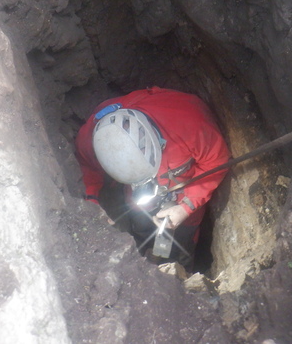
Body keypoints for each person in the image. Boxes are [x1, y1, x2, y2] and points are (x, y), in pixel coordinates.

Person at [75, 87, 229, 270]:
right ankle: (146, 254)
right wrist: (92, 204)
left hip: (183, 192)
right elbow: (88, 167)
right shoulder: (94, 137)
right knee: (141, 222)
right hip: (139, 196)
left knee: (181, 237)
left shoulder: (191, 125)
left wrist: (187, 207)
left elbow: (216, 161)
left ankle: (181, 267)